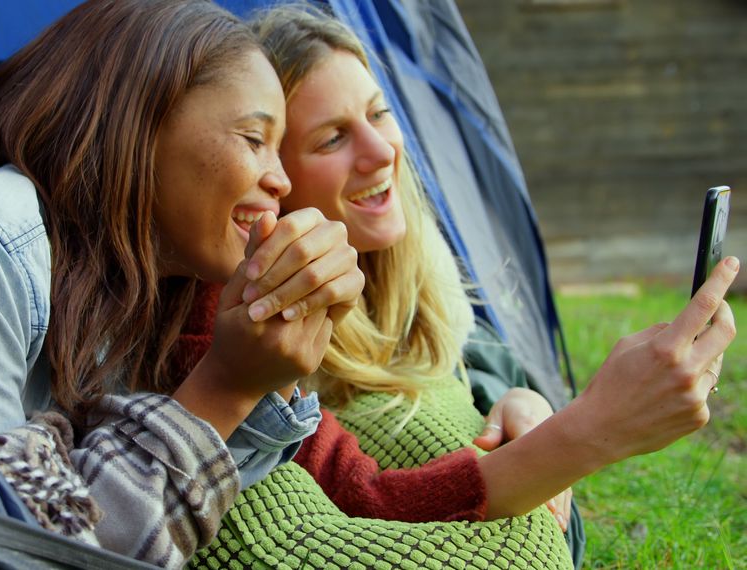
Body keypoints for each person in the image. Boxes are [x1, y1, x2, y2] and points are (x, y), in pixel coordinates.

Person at [186, 4, 737, 569]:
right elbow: (363, 495)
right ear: (277, 182)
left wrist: (524, 398)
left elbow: (482, 371)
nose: (382, 152)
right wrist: (591, 427)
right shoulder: (259, 339)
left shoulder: (424, 269)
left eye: (380, 114)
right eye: (332, 139)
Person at [0, 1, 364, 567]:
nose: (282, 179)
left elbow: (133, 516)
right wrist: (225, 385)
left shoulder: (126, 292)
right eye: (254, 138)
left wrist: (266, 371)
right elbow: (2, 545)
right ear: (136, 120)